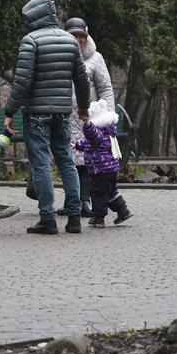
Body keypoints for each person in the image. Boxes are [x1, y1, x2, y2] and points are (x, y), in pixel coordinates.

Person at [3, 0, 90, 235]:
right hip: (62, 113)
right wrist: (83, 108)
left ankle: (47, 218)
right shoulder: (70, 41)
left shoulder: (30, 41)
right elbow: (81, 79)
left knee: (41, 164)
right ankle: (74, 217)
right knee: (66, 161)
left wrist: (10, 111)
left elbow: (22, 82)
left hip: (37, 114)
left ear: (34, 17)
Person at [57, 17, 115, 218]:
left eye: (81, 35)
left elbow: (105, 88)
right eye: (74, 35)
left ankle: (84, 202)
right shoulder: (59, 57)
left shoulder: (96, 58)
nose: (78, 39)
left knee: (85, 161)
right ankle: (71, 201)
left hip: (87, 118)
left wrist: (107, 117)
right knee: (68, 161)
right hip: (64, 116)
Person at [73, 100, 132, 228]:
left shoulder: (99, 131)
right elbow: (90, 143)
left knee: (98, 194)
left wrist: (88, 123)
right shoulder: (108, 131)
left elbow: (93, 136)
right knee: (110, 192)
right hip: (110, 169)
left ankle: (98, 218)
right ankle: (123, 211)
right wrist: (78, 144)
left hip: (100, 170)